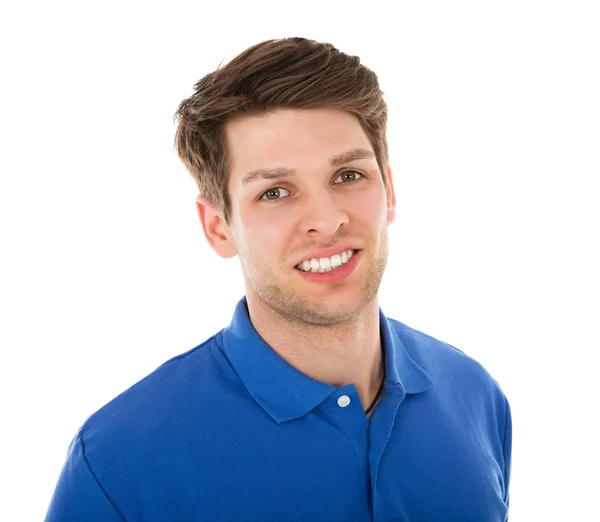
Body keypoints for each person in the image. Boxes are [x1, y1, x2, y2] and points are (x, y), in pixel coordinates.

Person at [45, 37, 512, 521]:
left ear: (389, 191)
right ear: (218, 227)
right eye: (275, 192)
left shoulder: (475, 397)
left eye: (348, 176)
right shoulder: (118, 463)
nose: (327, 220)